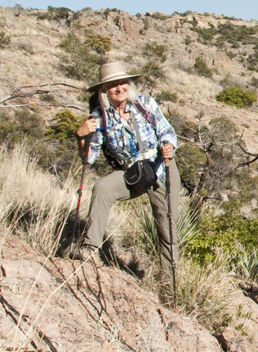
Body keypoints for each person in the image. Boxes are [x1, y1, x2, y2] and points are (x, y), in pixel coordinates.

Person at [75, 61, 180, 275]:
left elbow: (167, 132)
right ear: (104, 91)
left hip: (161, 168)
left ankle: (169, 279)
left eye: (122, 82)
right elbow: (89, 159)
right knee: (102, 188)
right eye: (113, 85)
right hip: (131, 173)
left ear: (129, 85)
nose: (119, 88)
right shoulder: (99, 118)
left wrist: (169, 146)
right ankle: (89, 250)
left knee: (167, 227)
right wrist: (81, 135)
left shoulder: (146, 104)